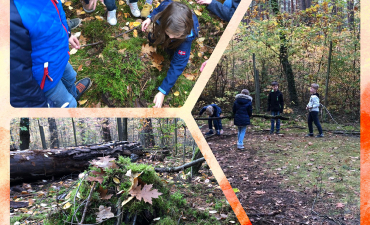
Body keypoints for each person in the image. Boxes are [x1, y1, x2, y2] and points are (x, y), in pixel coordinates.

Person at [11, 0, 91, 108]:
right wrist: (40, 104)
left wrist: (67, 33)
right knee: (69, 104)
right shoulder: (10, 16)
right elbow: (16, 76)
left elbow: (57, 10)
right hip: (42, 79)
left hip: (58, 57)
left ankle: (74, 93)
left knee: (71, 77)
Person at [141, 0, 199, 108]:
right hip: (165, 27)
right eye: (169, 33)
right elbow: (158, 10)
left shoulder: (186, 36)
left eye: (175, 35)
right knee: (151, 38)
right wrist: (149, 18)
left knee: (171, 52)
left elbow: (178, 65)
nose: (171, 37)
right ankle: (166, 34)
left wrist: (163, 91)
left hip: (182, 40)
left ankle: (173, 42)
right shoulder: (166, 7)